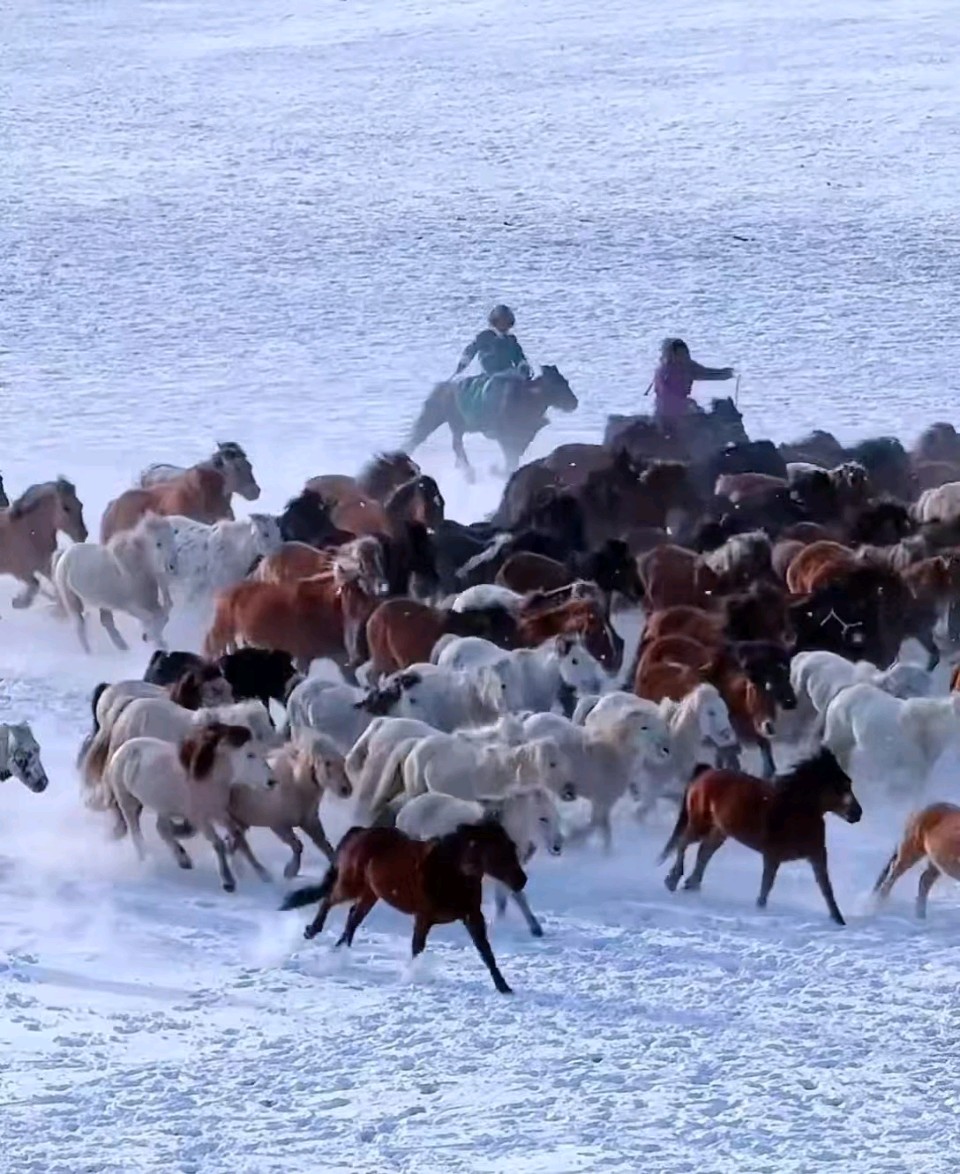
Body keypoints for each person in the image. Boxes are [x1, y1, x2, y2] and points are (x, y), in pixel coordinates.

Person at [652, 338, 736, 423]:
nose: (682, 356)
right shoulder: (669, 371)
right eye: (679, 354)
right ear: (671, 355)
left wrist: (724, 373)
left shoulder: (684, 365)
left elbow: (704, 372)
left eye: (684, 353)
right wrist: (725, 374)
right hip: (674, 412)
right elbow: (668, 397)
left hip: (669, 410)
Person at [454, 305, 531, 380]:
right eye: (501, 321)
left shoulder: (511, 340)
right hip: (489, 375)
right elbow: (471, 350)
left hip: (508, 374)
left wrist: (523, 366)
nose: (504, 324)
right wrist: (463, 363)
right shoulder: (485, 336)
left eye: (507, 321)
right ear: (494, 321)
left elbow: (519, 357)